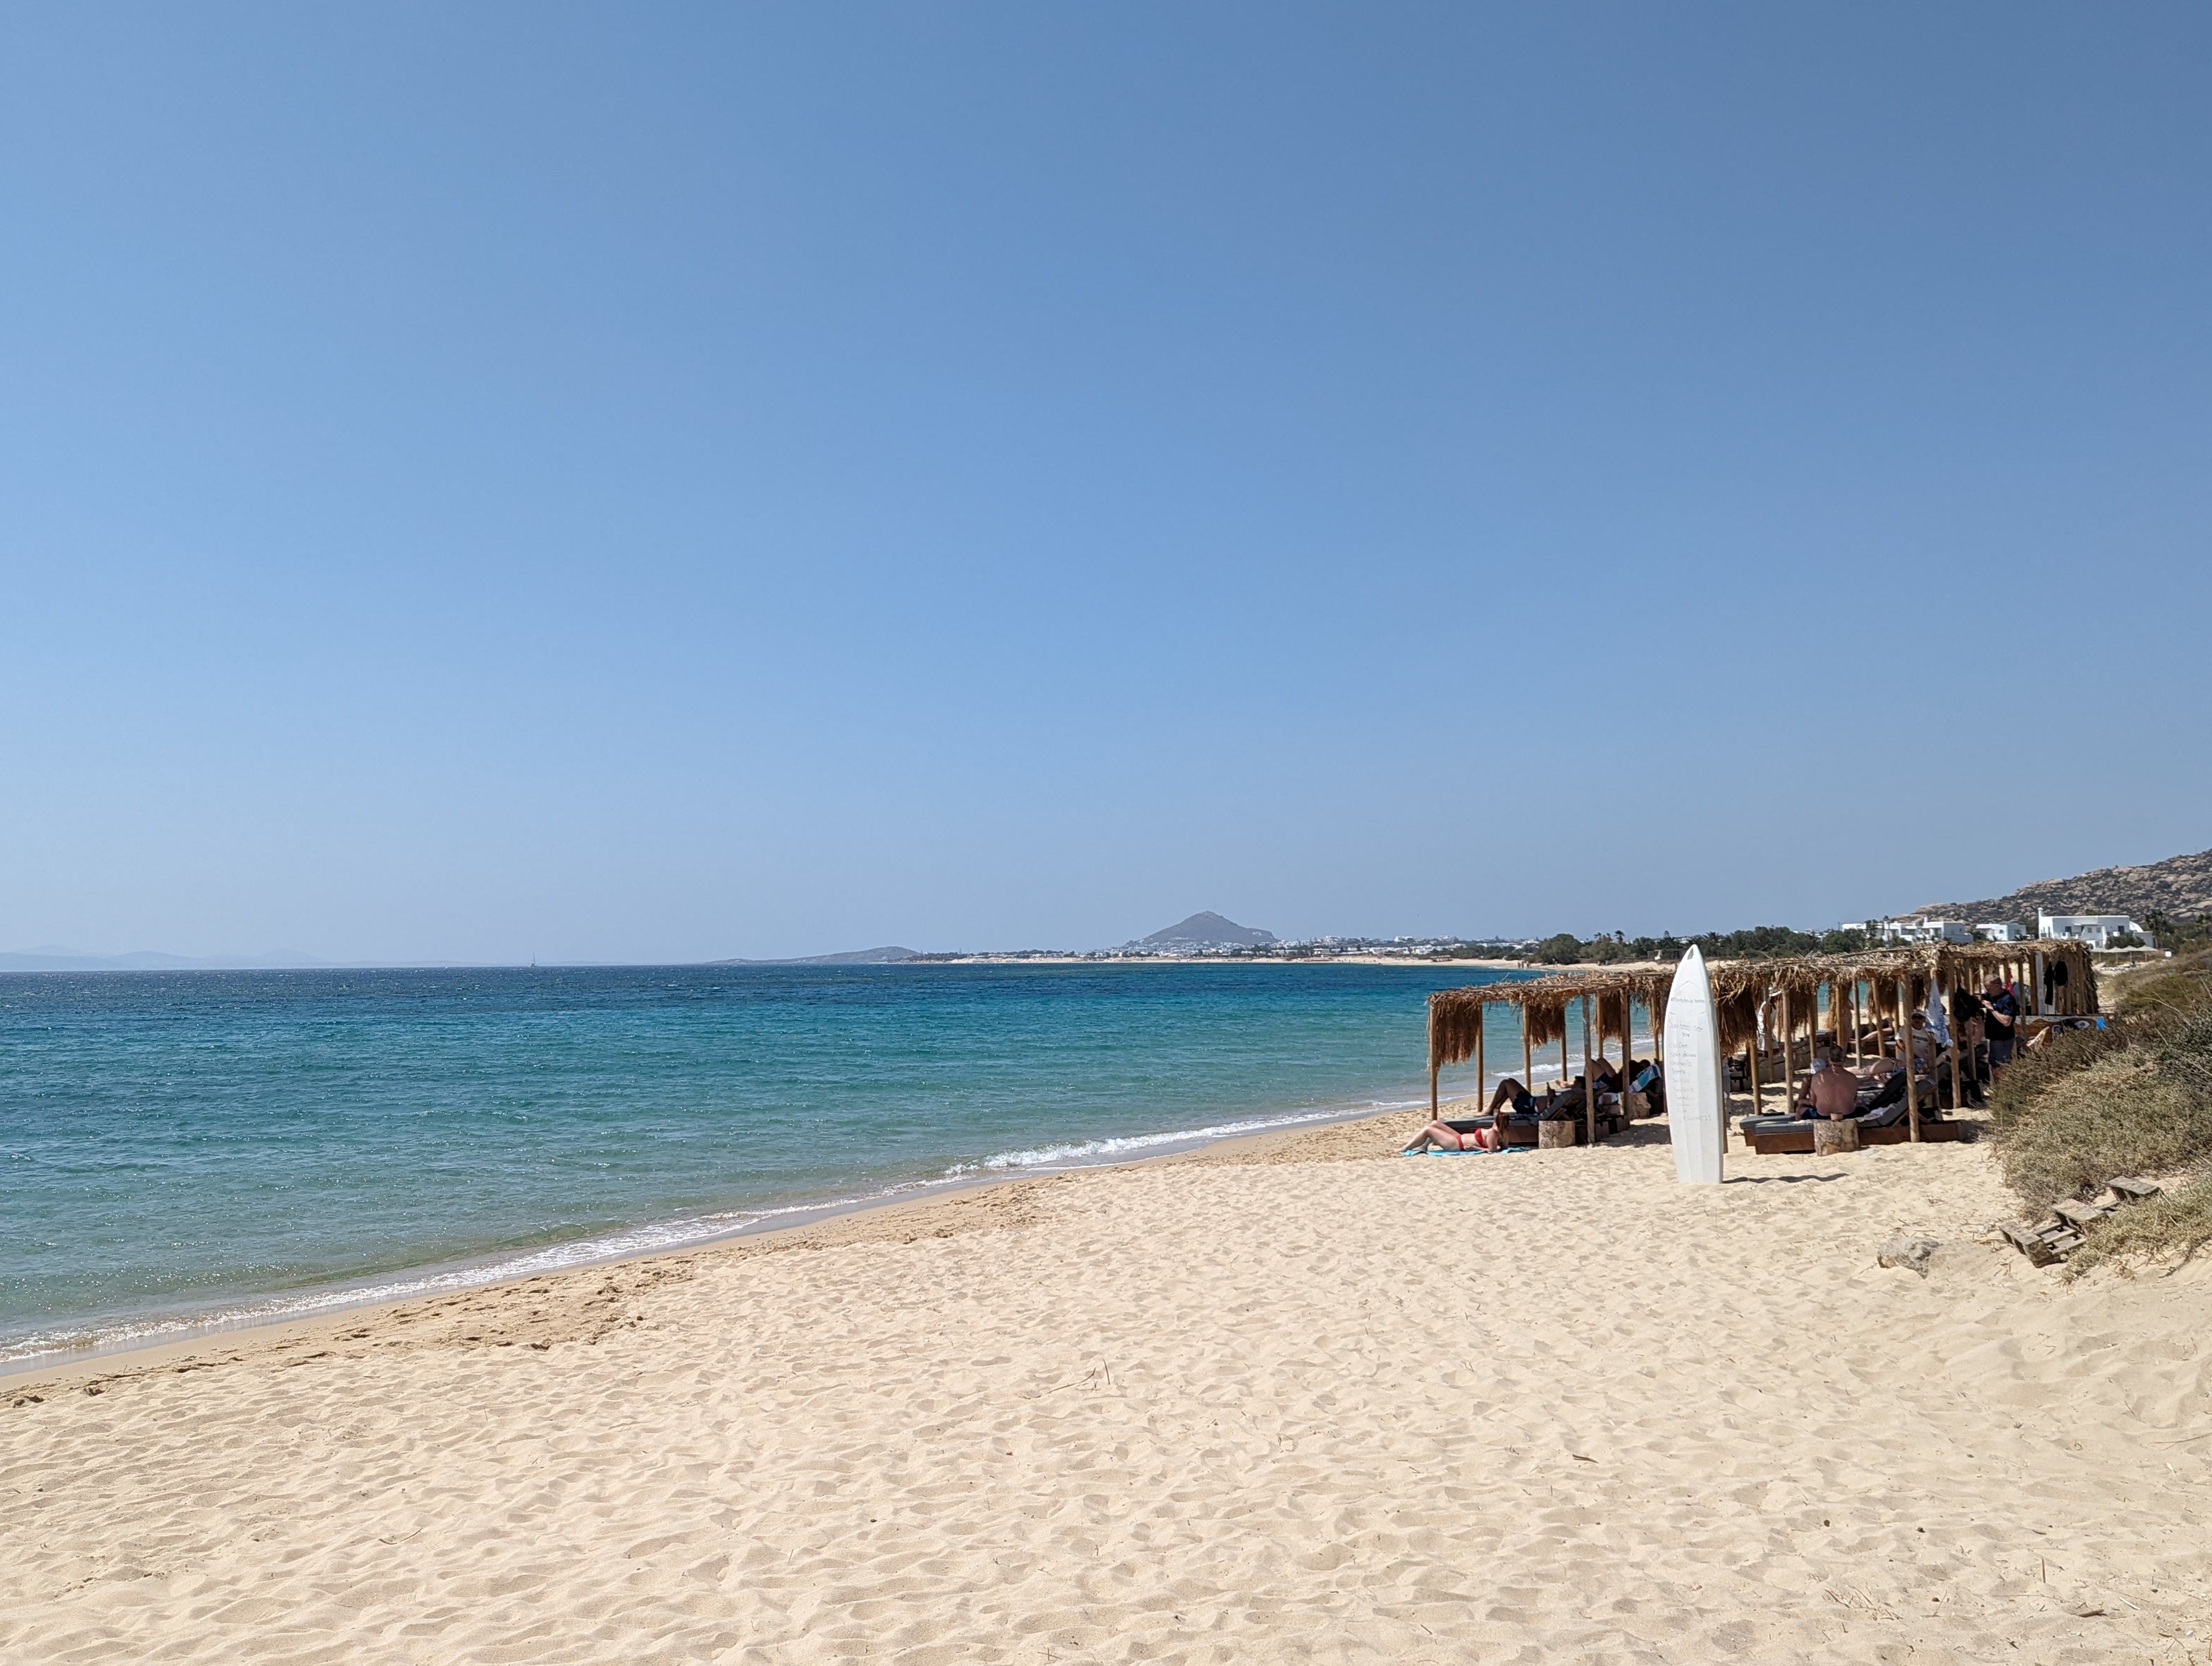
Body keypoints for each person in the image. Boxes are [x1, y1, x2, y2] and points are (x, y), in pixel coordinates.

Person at [1983, 976, 2020, 1072]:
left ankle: (2004, 1087)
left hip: (2003, 1039)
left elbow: (2007, 1022)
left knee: (2001, 1068)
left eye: (1988, 988)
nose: (1987, 990)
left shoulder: (2007, 999)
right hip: (1994, 1038)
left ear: (1997, 986)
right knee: (1994, 1067)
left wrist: (1992, 1009)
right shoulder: (1991, 996)